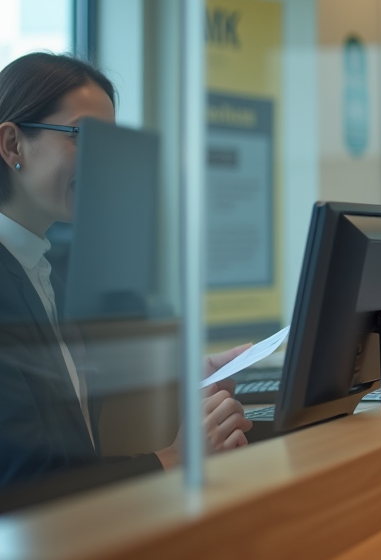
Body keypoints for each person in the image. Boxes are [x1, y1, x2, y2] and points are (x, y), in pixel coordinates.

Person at [0, 53, 252, 510]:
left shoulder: (44, 264)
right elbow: (26, 480)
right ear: (13, 145)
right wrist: (174, 459)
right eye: (84, 137)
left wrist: (184, 377)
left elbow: (57, 398)